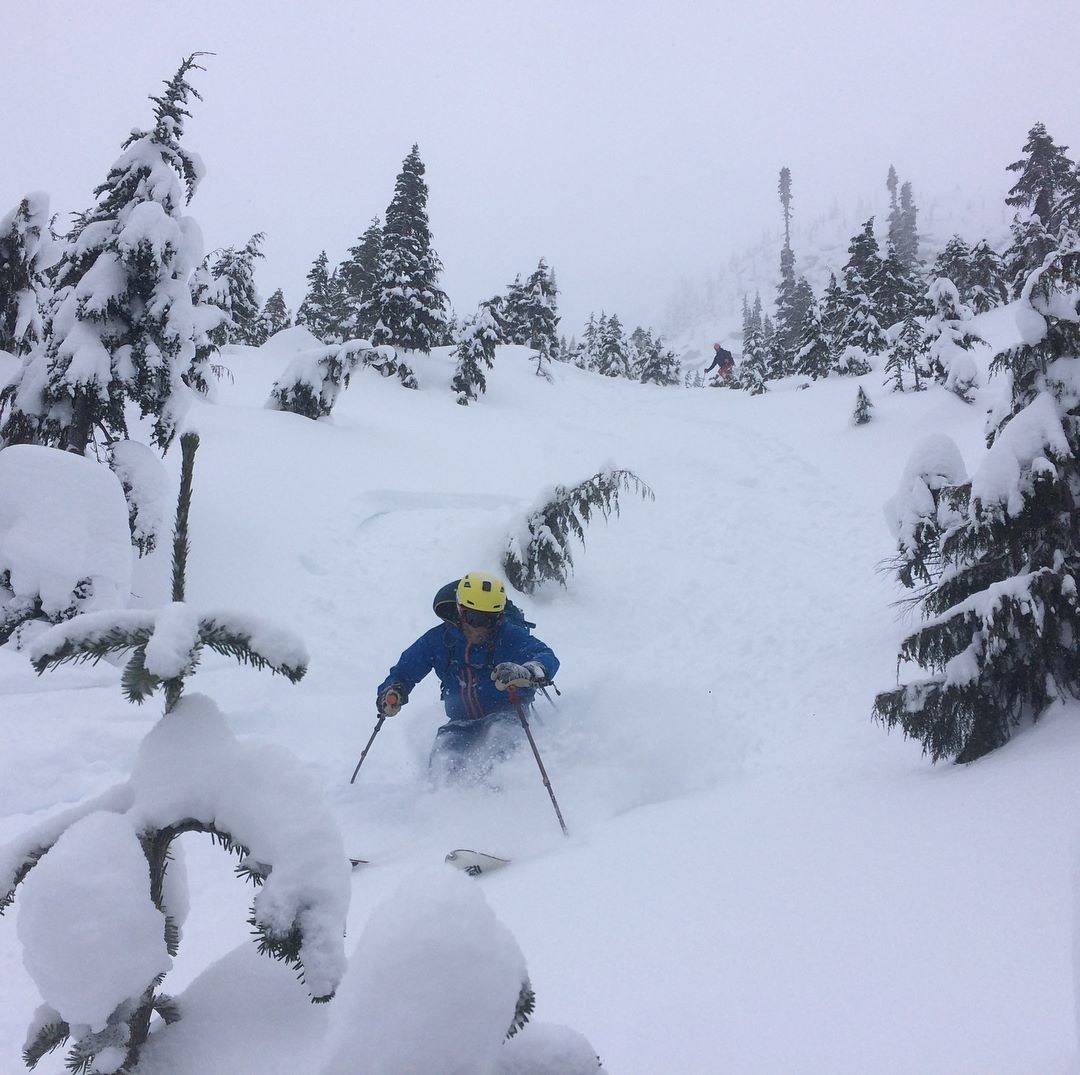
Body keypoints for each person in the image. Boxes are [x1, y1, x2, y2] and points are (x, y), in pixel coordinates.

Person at [376, 570, 560, 781]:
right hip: (459, 722)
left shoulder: (508, 635)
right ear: (460, 611)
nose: (480, 628)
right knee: (443, 764)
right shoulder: (438, 640)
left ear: (499, 617)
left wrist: (527, 671)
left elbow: (546, 656)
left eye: (489, 620)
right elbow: (404, 671)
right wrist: (393, 690)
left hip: (507, 715)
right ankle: (444, 807)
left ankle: (501, 805)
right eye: (474, 617)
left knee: (499, 752)